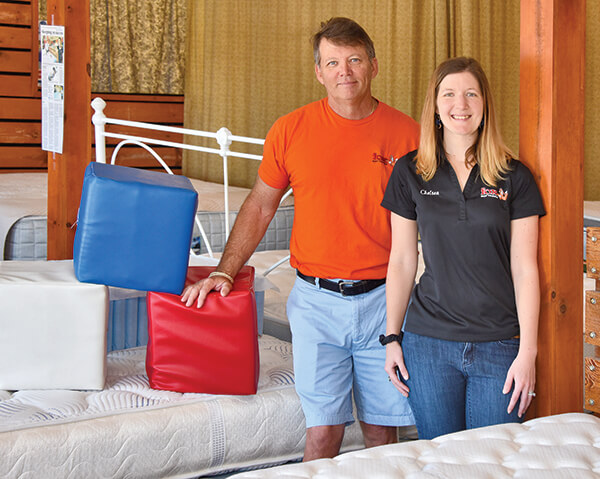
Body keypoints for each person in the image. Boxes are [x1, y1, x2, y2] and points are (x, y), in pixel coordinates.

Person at [181, 17, 420, 460]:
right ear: (319, 72)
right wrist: (223, 269)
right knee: (322, 436)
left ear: (373, 65)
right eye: (333, 62)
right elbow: (259, 205)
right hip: (315, 303)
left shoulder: (407, 133)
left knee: (383, 436)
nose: (344, 71)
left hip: (385, 304)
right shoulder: (291, 129)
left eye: (354, 60)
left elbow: (434, 216)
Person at [381, 56, 545, 440]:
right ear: (435, 106)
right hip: (429, 344)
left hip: (501, 345)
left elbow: (525, 269)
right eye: (450, 94)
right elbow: (403, 261)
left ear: (485, 104)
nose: (461, 104)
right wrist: (391, 338)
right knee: (439, 460)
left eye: (471, 94)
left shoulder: (514, 176)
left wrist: (528, 353)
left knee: (491, 462)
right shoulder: (410, 172)